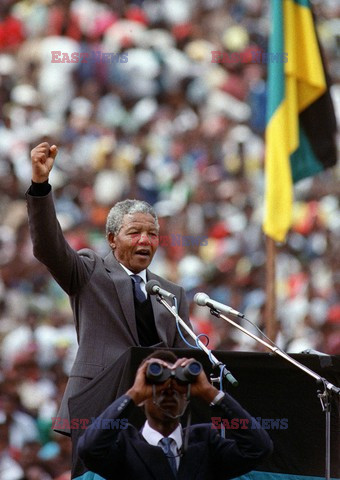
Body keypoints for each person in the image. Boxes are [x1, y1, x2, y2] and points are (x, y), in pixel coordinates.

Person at [26, 142, 193, 435]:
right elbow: (49, 248)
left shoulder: (171, 293)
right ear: (112, 239)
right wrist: (40, 186)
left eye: (152, 234)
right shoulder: (90, 272)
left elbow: (186, 358)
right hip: (98, 408)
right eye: (135, 233)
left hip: (155, 415)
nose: (145, 240)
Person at [78, 350, 273, 480]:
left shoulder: (206, 442)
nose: (169, 393)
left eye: (178, 389)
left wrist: (209, 392)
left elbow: (258, 448)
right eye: (159, 388)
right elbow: (89, 449)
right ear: (144, 397)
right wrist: (133, 394)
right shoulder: (124, 445)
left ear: (188, 397)